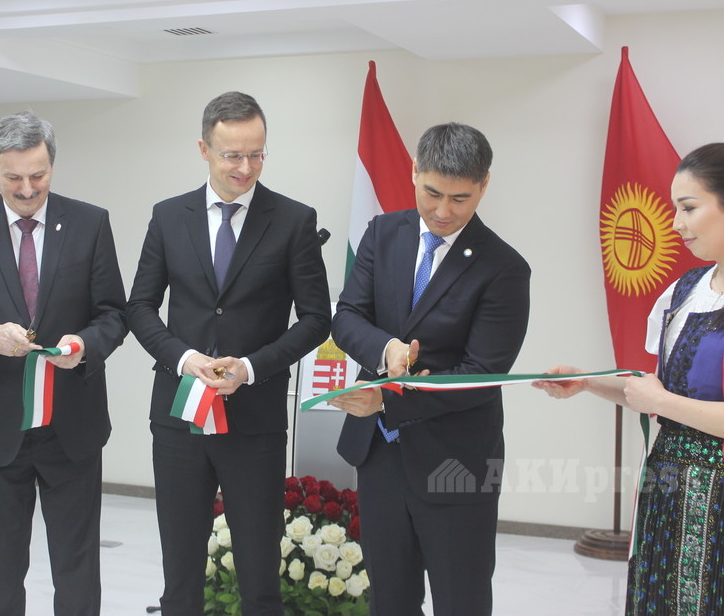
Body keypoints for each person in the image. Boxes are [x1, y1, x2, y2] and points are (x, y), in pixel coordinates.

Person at [127, 91, 332, 614]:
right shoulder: (169, 217)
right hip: (179, 417)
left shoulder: (293, 220)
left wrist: (251, 367)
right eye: (232, 155)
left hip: (255, 420)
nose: (245, 167)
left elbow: (316, 319)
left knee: (260, 575)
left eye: (256, 154)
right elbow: (140, 307)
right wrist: (183, 358)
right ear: (204, 149)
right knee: (179, 574)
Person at [330, 123, 531, 615]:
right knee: (390, 599)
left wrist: (389, 398)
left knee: (461, 599)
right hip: (380, 455)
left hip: (457, 463)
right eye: (432, 193)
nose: (443, 211)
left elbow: (481, 374)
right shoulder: (383, 233)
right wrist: (386, 351)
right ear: (415, 171)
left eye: (460, 199)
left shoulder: (504, 268)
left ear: (484, 184)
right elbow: (348, 316)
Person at [0, 111, 128, 615]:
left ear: (52, 166)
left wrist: (83, 346)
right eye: (13, 177)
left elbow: (113, 314)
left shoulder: (89, 223)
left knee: (77, 569)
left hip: (72, 426)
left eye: (38, 175)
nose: (26, 189)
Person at [533, 143, 724, 614]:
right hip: (669, 487)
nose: (676, 223)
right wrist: (589, 381)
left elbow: (662, 400)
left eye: (688, 208)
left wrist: (662, 402)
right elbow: (657, 389)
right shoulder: (685, 291)